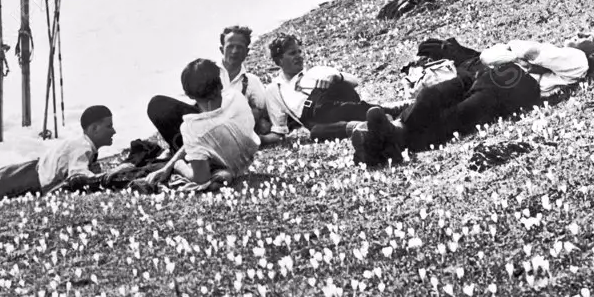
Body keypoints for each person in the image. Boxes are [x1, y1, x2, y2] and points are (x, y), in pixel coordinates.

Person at [355, 30, 594, 164]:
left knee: (453, 114)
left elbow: (533, 52)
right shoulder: (574, 57)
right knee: (438, 97)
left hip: (509, 88)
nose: (580, 34)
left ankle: (392, 140)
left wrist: (505, 51)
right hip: (500, 80)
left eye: (589, 37)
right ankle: (389, 135)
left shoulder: (579, 60)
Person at [136, 58, 261, 191]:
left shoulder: (192, 129)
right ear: (220, 83)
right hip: (245, 159)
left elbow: (201, 179)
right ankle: (222, 172)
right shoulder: (236, 97)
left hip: (224, 162)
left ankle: (215, 170)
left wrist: (176, 165)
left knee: (157, 104)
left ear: (189, 95)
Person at [146, 25, 274, 150]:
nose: (234, 51)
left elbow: (262, 114)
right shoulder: (205, 70)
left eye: (240, 47)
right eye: (230, 47)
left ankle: (189, 152)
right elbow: (194, 96)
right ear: (221, 49)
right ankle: (180, 148)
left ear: (247, 51)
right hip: (200, 120)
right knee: (157, 104)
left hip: (224, 131)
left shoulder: (252, 82)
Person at [261, 32, 402, 143]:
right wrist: (259, 140)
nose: (299, 56)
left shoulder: (315, 71)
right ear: (279, 60)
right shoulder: (274, 89)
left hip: (336, 106)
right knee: (316, 132)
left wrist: (336, 76)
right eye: (292, 53)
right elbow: (278, 132)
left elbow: (354, 81)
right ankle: (374, 121)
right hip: (315, 119)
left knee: (338, 108)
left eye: (299, 52)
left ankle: (387, 113)